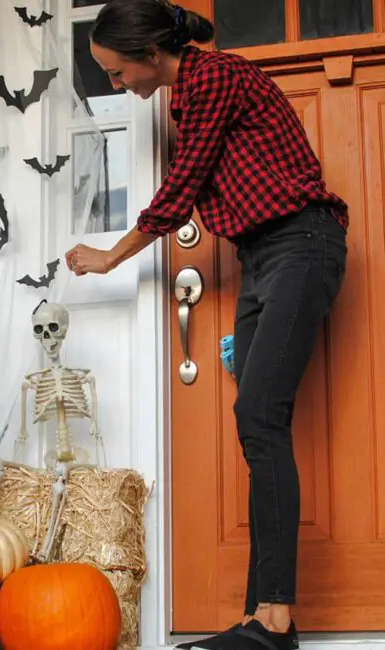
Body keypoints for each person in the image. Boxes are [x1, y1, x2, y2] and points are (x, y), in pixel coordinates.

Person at [65, 2, 348, 649]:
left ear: (146, 54)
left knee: (259, 418)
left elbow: (182, 187)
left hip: (302, 243)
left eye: (115, 72)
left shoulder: (214, 77)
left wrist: (109, 255)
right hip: (261, 258)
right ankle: (260, 619)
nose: (118, 85)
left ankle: (275, 620)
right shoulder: (184, 100)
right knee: (256, 421)